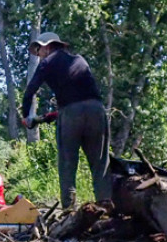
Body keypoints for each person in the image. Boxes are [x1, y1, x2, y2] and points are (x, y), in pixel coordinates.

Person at [20, 32, 112, 209]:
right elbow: (81, 98)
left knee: (67, 163)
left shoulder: (47, 63)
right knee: (100, 161)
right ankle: (105, 205)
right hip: (96, 110)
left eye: (38, 50)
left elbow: (29, 92)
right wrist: (52, 116)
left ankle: (69, 210)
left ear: (46, 47)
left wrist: (26, 117)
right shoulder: (80, 60)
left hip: (71, 113)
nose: (38, 54)